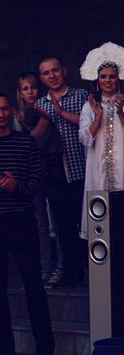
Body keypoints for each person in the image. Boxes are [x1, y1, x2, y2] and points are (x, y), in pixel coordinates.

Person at [0, 93, 57, 355]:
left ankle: (46, 353)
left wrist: (15, 186)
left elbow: (38, 181)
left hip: (22, 221)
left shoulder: (25, 143)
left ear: (10, 111)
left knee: (35, 288)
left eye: (2, 109)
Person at [78, 42, 124, 239]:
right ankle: (103, 269)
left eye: (112, 76)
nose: (108, 80)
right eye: (103, 77)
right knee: (101, 229)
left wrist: (121, 112)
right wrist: (98, 116)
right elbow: (84, 139)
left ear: (118, 79)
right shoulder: (89, 106)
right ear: (97, 80)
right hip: (98, 173)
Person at [36, 57, 87, 286]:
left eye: (55, 70)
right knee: (64, 227)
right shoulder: (39, 105)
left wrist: (61, 113)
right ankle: (72, 274)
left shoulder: (82, 96)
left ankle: (92, 273)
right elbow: (33, 140)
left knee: (85, 225)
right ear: (42, 78)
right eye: (46, 73)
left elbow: (93, 126)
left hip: (81, 172)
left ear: (64, 71)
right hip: (55, 177)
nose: (52, 76)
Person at [15, 72, 64, 284]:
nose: (30, 92)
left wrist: (45, 120)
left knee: (59, 222)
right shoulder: (17, 116)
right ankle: (45, 266)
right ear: (20, 93)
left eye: (33, 88)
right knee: (40, 225)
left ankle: (61, 267)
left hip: (51, 172)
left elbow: (40, 142)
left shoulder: (46, 110)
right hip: (31, 177)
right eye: (26, 89)